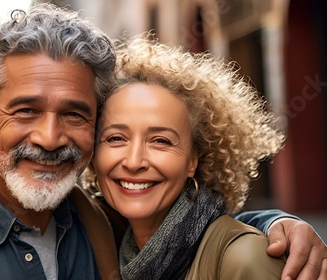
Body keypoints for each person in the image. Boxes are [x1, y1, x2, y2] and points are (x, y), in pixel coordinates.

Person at [0, 3, 326, 280]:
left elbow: (196, 229)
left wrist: (274, 224)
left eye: (74, 114)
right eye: (25, 110)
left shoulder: (100, 222)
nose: (49, 138)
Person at [86, 34, 327, 279]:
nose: (134, 161)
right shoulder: (106, 241)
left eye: (161, 141)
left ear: (193, 160)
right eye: (116, 138)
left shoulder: (244, 257)